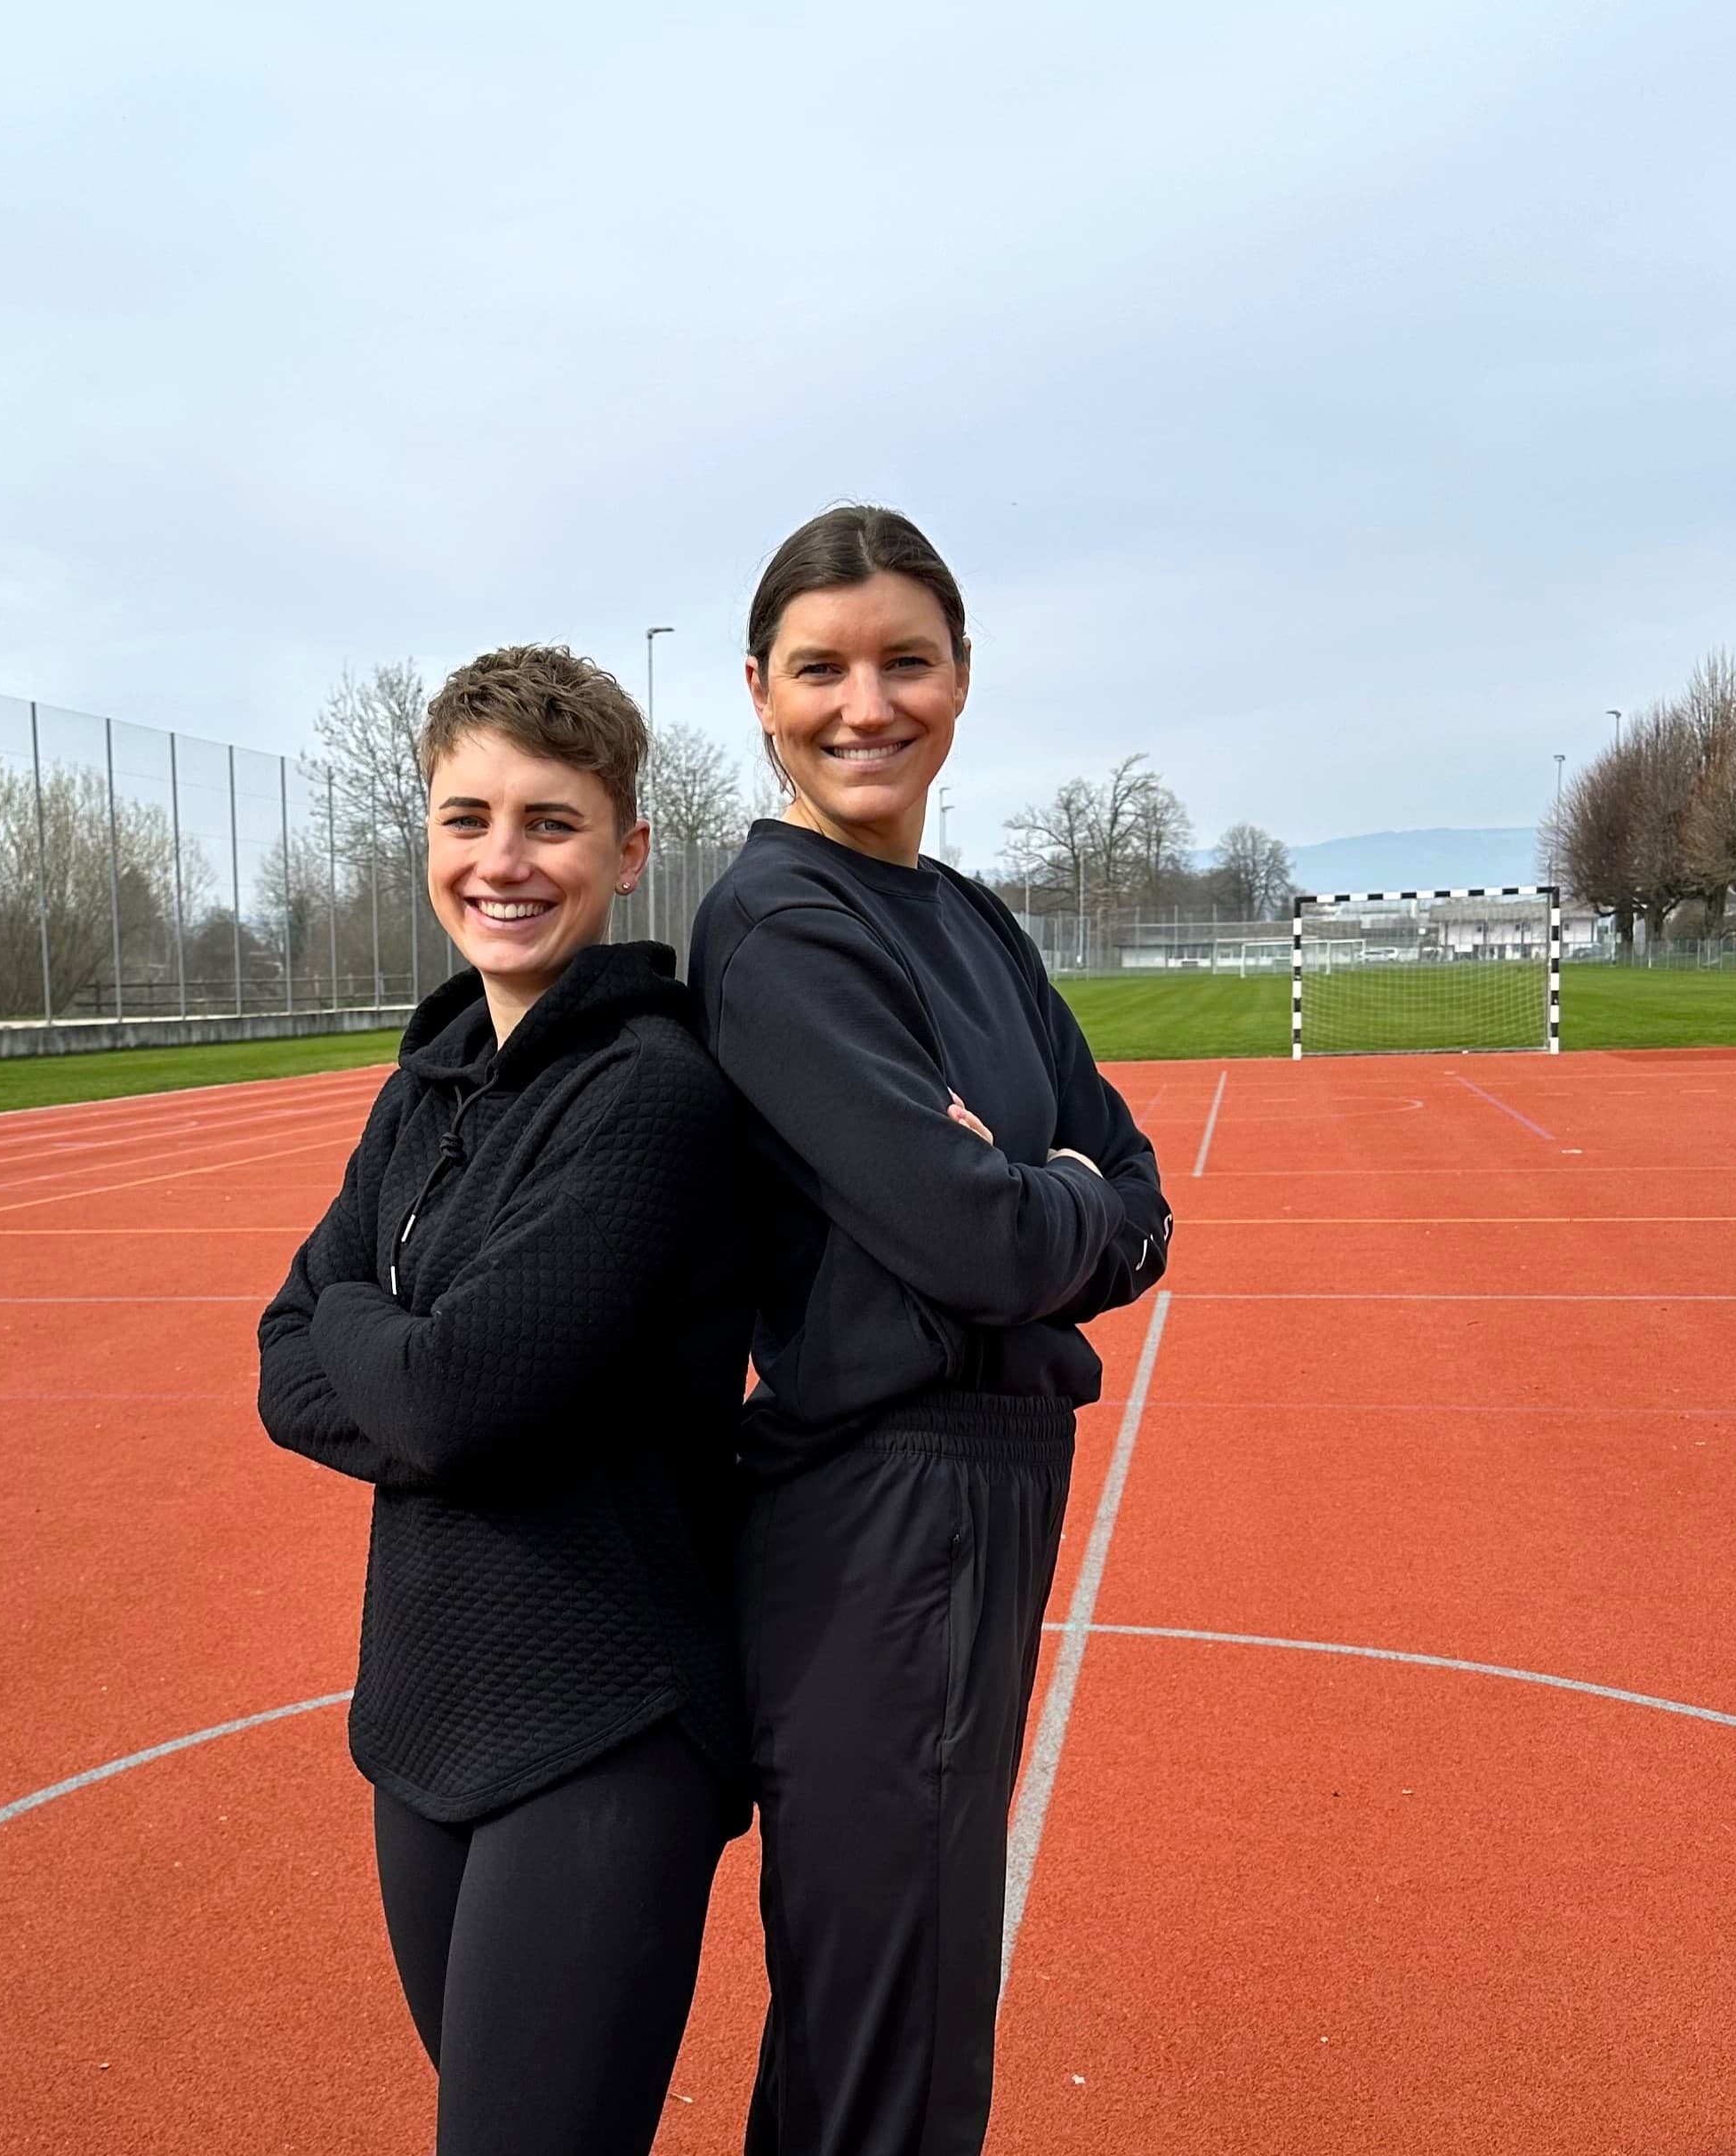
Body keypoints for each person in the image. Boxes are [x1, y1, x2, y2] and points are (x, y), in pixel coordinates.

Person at [689, 506, 1172, 2156]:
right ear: (759, 692)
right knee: (890, 2028)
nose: (864, 704)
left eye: (906, 661)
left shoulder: (968, 919)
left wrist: (1055, 1201)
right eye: (820, 669)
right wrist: (1042, 1202)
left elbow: (1129, 1182)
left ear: (963, 679)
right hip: (882, 1504)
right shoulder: (780, 929)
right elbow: (979, 1236)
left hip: (983, 1486)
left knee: (887, 2010)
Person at [257, 645, 750, 2156]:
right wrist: (391, 1355)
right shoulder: (425, 1085)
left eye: (550, 821)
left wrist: (375, 1329)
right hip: (422, 1710)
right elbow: (285, 1370)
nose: (504, 861)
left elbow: (451, 1403)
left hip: (603, 1717)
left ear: (629, 849)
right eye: (467, 818)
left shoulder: (655, 1094)